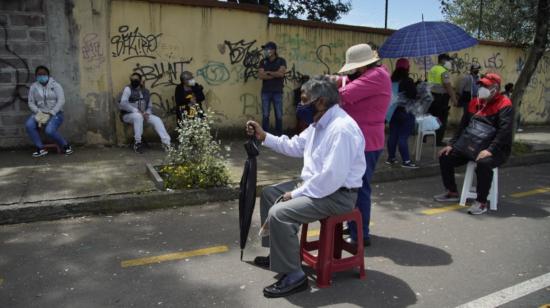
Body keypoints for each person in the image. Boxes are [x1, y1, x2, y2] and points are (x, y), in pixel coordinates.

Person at [247, 76, 366, 298]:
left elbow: (331, 178)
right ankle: (279, 255)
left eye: (303, 100)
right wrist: (264, 136)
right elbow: (295, 145)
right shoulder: (319, 124)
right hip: (318, 185)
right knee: (269, 194)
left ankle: (295, 276)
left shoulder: (341, 129)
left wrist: (295, 193)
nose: (299, 105)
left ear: (320, 102)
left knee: (280, 213)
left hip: (337, 195)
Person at [337, 43, 392, 247]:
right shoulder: (372, 75)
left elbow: (344, 95)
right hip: (359, 139)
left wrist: (337, 82)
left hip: (366, 140)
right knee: (350, 185)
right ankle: (353, 223)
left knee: (359, 188)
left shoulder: (376, 76)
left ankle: (360, 234)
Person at [434, 73, 513, 215]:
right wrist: (451, 144)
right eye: (481, 85)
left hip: (495, 149)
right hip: (471, 145)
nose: (482, 88)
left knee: (484, 163)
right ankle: (452, 192)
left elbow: (504, 132)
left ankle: (481, 201)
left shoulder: (504, 104)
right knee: (445, 156)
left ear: (495, 88)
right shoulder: (474, 102)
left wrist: (490, 150)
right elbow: (462, 126)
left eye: (486, 86)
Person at [25, 65, 73, 157]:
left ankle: (66, 146)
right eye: (39, 74)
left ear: (48, 75)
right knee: (29, 125)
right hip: (40, 113)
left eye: (44, 74)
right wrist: (38, 112)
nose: (42, 76)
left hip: (56, 114)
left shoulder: (55, 85)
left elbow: (61, 100)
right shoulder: (34, 87)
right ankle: (41, 148)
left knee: (49, 131)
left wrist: (52, 112)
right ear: (36, 76)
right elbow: (31, 102)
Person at [119, 72, 171, 153]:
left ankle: (167, 143)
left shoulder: (146, 91)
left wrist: (147, 113)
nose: (134, 81)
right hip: (128, 115)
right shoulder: (128, 89)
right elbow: (123, 103)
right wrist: (136, 111)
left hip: (143, 114)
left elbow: (149, 106)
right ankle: (138, 143)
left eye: (136, 79)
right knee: (138, 116)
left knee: (157, 120)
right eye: (132, 79)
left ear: (140, 80)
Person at [385, 58, 419, 169]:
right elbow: (413, 96)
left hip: (393, 112)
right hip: (406, 112)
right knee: (403, 137)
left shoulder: (391, 80)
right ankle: (406, 161)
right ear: (407, 67)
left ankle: (391, 158)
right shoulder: (408, 81)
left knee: (393, 135)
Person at [428, 53, 458, 146]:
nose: (449, 63)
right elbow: (447, 86)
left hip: (432, 97)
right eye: (448, 60)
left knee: (432, 118)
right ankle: (438, 141)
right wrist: (454, 98)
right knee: (442, 120)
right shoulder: (443, 71)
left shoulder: (433, 69)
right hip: (441, 99)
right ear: (443, 61)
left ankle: (424, 138)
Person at [258, 41, 287, 136]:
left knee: (278, 115)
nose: (266, 51)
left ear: (273, 50)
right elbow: (261, 75)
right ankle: (264, 135)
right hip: (265, 92)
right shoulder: (263, 61)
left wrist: (269, 72)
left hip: (277, 92)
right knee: (265, 115)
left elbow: (281, 74)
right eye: (265, 49)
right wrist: (275, 74)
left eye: (267, 49)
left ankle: (279, 135)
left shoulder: (281, 61)